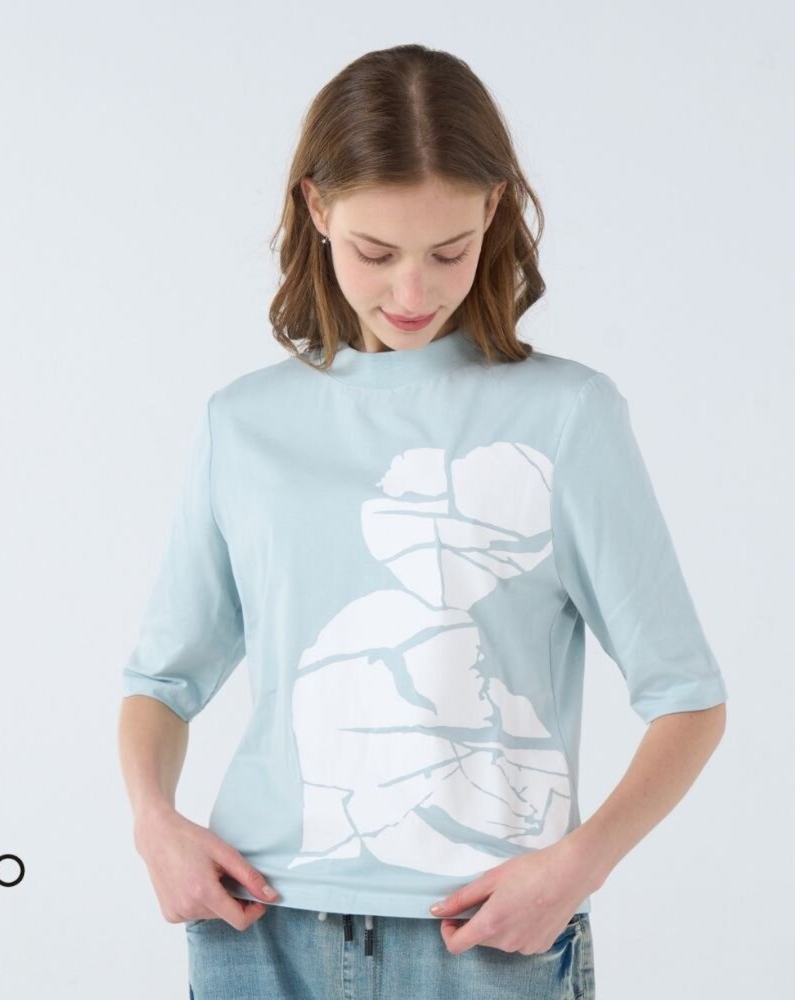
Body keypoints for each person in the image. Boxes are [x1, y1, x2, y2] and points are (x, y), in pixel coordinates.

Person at [117, 43, 728, 1000]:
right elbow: (162, 679)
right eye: (376, 253)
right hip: (260, 929)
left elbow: (686, 697)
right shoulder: (243, 424)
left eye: (449, 252)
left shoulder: (568, 418)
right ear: (317, 209)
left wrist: (577, 868)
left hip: (486, 939)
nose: (413, 293)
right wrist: (155, 824)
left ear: (493, 211)